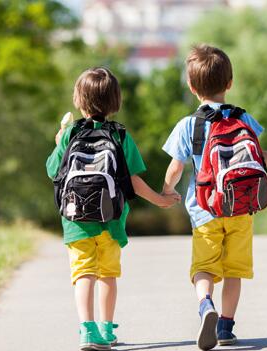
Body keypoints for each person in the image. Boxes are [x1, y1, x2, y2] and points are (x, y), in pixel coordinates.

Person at [161, 44, 267, 350]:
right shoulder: (244, 119)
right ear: (230, 83)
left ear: (191, 87)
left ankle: (205, 305)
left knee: (204, 268)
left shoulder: (189, 125)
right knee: (234, 270)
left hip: (204, 210)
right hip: (240, 207)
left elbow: (175, 168)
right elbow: (258, 159)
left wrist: (168, 189)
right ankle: (225, 327)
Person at [46, 67, 180, 351]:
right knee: (107, 275)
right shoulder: (119, 135)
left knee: (84, 274)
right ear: (115, 102)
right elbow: (132, 180)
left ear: (78, 100)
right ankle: (106, 330)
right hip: (111, 220)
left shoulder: (70, 133)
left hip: (76, 221)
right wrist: (160, 199)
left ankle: (87, 330)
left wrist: (59, 142)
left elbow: (51, 170)